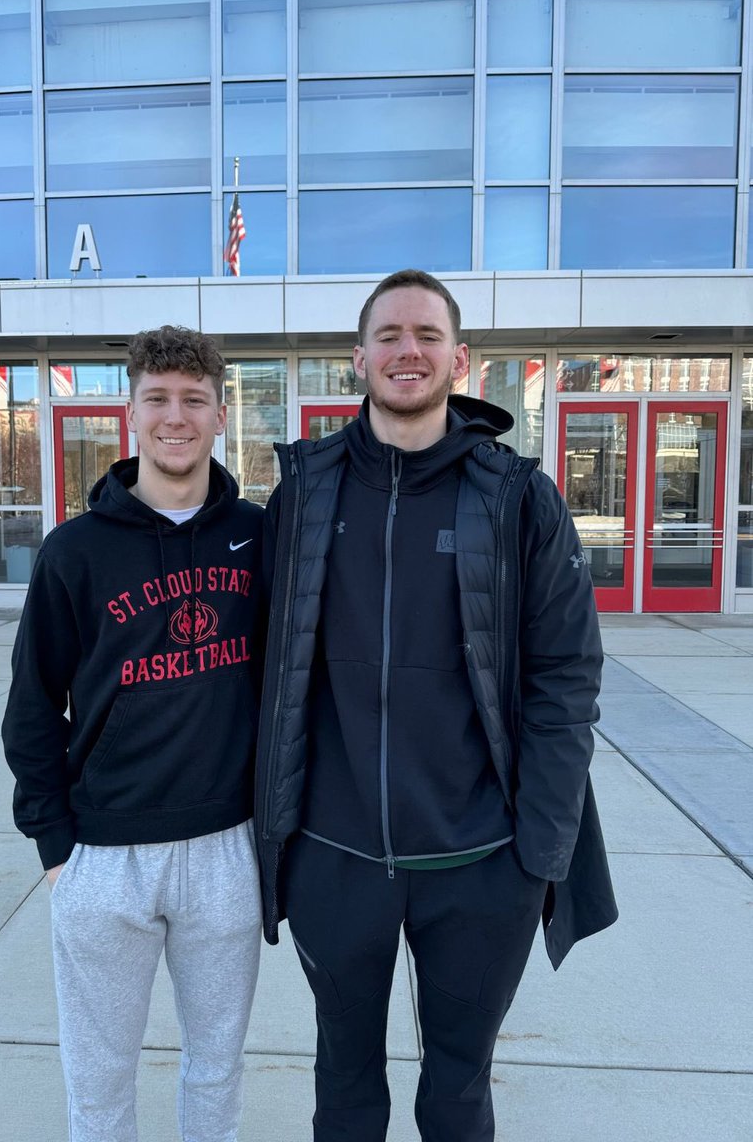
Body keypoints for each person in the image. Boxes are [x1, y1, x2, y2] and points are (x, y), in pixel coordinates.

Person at [254, 270, 618, 1142]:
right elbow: (259, 663)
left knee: (458, 1094)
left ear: (461, 360)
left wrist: (539, 852)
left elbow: (567, 677)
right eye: (388, 335)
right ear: (358, 358)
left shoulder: (517, 496)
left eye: (426, 335)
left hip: (481, 862)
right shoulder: (304, 494)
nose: (406, 350)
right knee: (344, 1087)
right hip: (334, 857)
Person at [3, 326, 264, 1142]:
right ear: (131, 412)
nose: (175, 417)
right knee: (100, 1078)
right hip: (105, 855)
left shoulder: (260, 538)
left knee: (216, 1069)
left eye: (194, 400)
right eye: (157, 398)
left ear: (220, 415)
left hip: (226, 848)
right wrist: (56, 847)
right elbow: (32, 706)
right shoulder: (74, 552)